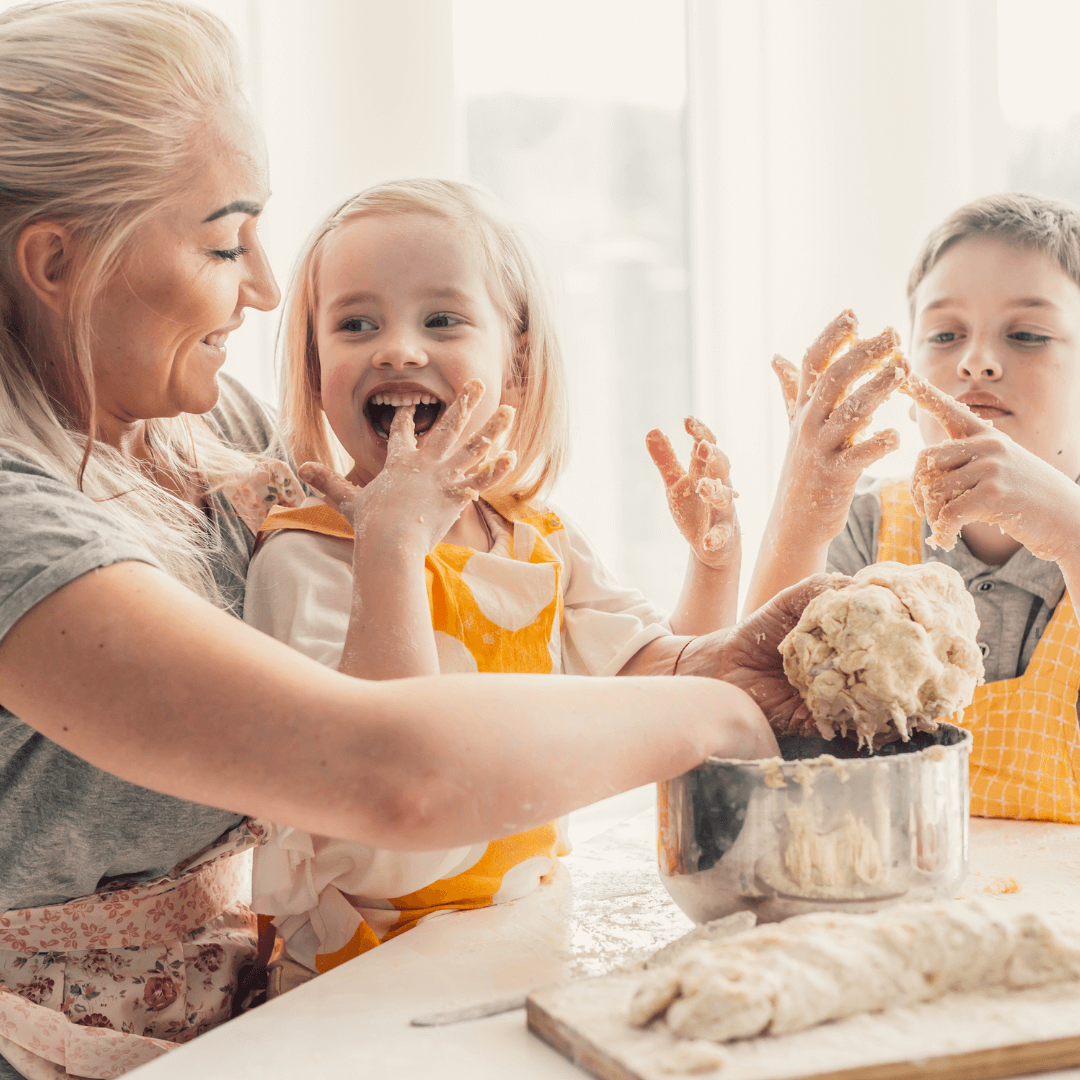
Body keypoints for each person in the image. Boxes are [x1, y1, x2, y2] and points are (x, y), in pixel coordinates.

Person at [0, 2, 824, 1075]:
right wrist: (725, 708)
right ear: (56, 262)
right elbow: (386, 774)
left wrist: (720, 639)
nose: (261, 287)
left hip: (256, 1013)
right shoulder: (22, 525)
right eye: (221, 241)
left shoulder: (200, 430)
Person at [237, 180, 742, 989]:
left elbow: (658, 685)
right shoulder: (303, 556)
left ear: (518, 363)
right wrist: (393, 544)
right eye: (356, 323)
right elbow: (383, 783)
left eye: (441, 320)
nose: (397, 349)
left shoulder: (538, 537)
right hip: (353, 972)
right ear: (314, 366)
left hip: (517, 937)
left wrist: (713, 568)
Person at [746, 192, 1080, 825]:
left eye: (1029, 335)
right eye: (945, 334)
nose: (976, 360)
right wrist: (803, 513)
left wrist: (1068, 529)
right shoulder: (863, 528)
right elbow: (763, 731)